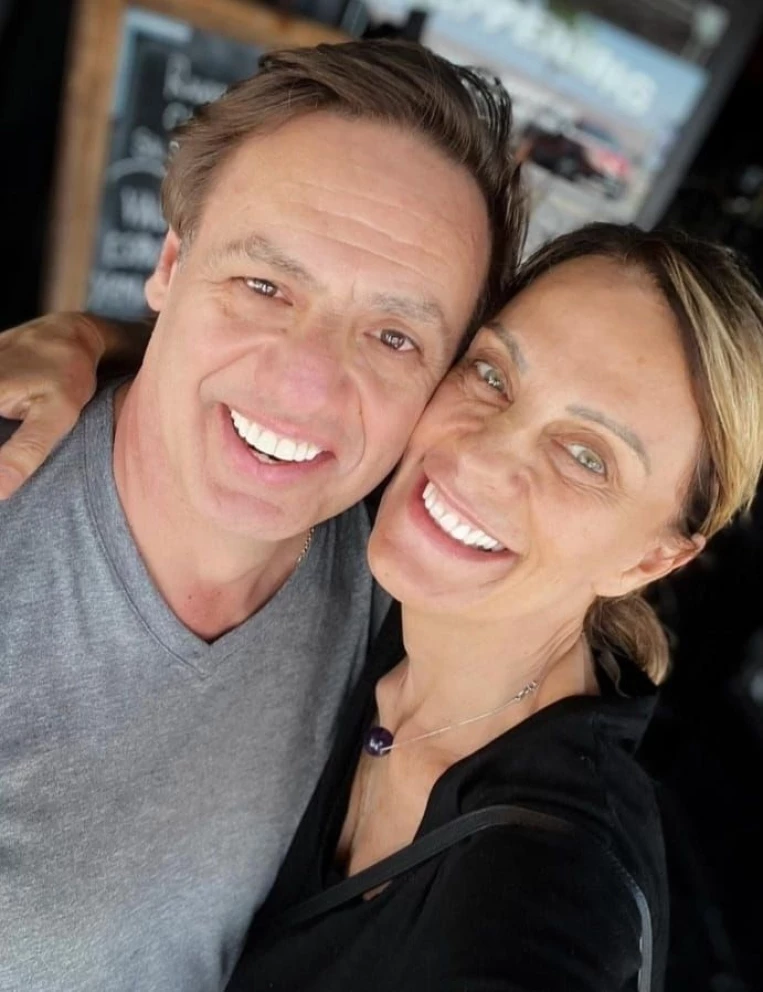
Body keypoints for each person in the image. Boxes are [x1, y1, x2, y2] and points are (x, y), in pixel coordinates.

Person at [0, 41, 525, 992]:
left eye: (393, 336)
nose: (305, 382)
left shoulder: (396, 589)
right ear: (170, 265)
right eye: (264, 286)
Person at [221, 224, 763, 992]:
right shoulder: (333, 555)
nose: (480, 455)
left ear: (649, 560)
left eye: (586, 457)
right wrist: (80, 346)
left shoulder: (560, 884)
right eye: (491, 374)